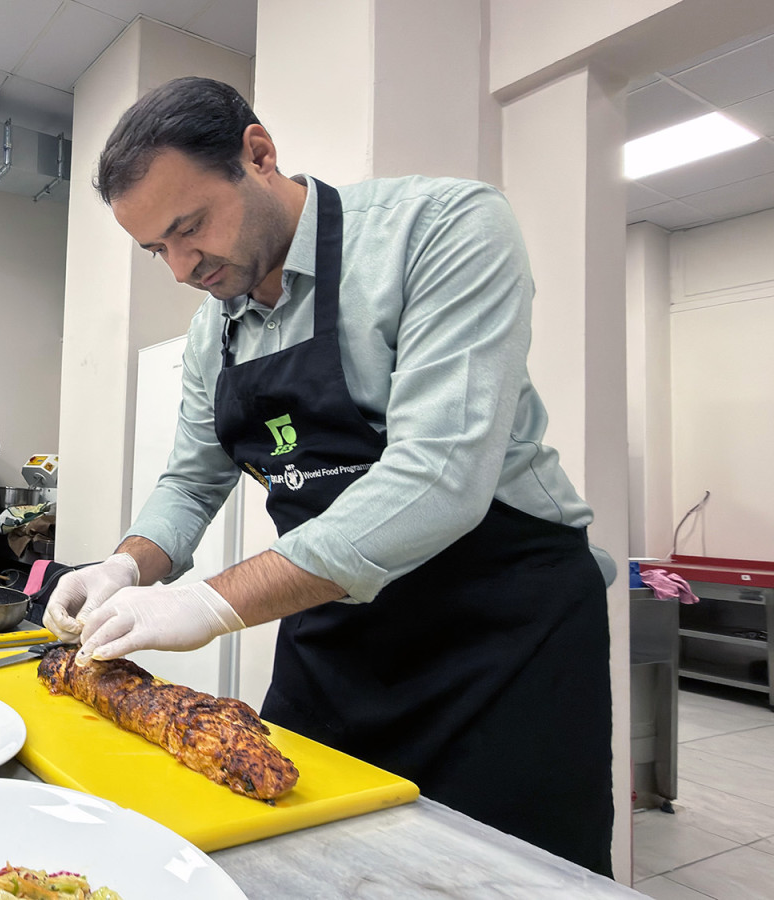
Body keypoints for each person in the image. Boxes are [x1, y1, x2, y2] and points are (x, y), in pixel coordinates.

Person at [43, 77, 615, 876]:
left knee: (505, 879)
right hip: (338, 636)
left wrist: (207, 603)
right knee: (293, 863)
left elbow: (438, 477)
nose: (180, 269)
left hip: (500, 631)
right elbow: (191, 483)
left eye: (189, 228)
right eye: (156, 250)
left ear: (258, 154)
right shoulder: (216, 332)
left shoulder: (441, 228)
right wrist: (125, 566)